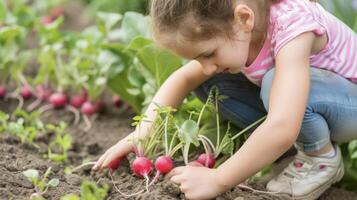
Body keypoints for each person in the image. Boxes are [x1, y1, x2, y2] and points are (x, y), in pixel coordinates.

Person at [93, 0, 357, 199]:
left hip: (350, 105)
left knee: (275, 81)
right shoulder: (237, 32)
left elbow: (284, 124)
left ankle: (321, 157)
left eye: (209, 53)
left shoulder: (293, 25)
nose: (206, 65)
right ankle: (289, 156)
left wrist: (219, 179)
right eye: (198, 58)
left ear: (244, 18)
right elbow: (181, 79)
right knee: (209, 81)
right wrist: (141, 134)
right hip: (313, 109)